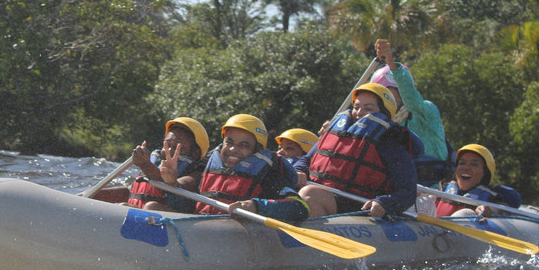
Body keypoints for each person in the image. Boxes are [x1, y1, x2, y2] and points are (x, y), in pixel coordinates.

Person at [295, 83, 418, 218]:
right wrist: (299, 170)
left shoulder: (390, 143)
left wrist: (384, 203)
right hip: (323, 194)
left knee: (310, 195)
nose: (359, 112)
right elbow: (306, 160)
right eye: (356, 107)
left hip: (359, 206)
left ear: (383, 113)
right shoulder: (337, 131)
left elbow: (408, 191)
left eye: (368, 108)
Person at [177, 114, 307, 222]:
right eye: (229, 142)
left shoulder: (267, 175)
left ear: (257, 150)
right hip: (205, 230)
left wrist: (256, 206)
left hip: (239, 238)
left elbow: (300, 207)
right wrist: (171, 183)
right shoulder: (208, 168)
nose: (233, 149)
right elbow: (186, 207)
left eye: (243, 145)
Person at [372, 39, 454, 186]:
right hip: (402, 191)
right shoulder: (381, 124)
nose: (382, 100)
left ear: (401, 91)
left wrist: (391, 64)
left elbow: (412, 101)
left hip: (433, 192)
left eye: (387, 93)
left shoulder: (426, 111)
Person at [125, 117, 209, 212]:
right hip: (142, 213)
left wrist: (145, 165)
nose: (169, 151)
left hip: (174, 218)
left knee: (151, 207)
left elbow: (171, 189)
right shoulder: (155, 163)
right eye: (167, 145)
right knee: (120, 205)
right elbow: (129, 191)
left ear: (195, 153)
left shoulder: (197, 174)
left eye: (179, 148)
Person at [434, 144, 521, 217]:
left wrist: (491, 210)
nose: (466, 167)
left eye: (474, 164)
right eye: (462, 163)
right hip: (433, 233)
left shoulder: (492, 199)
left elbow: (502, 208)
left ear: (485, 173)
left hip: (466, 233)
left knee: (466, 214)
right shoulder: (444, 190)